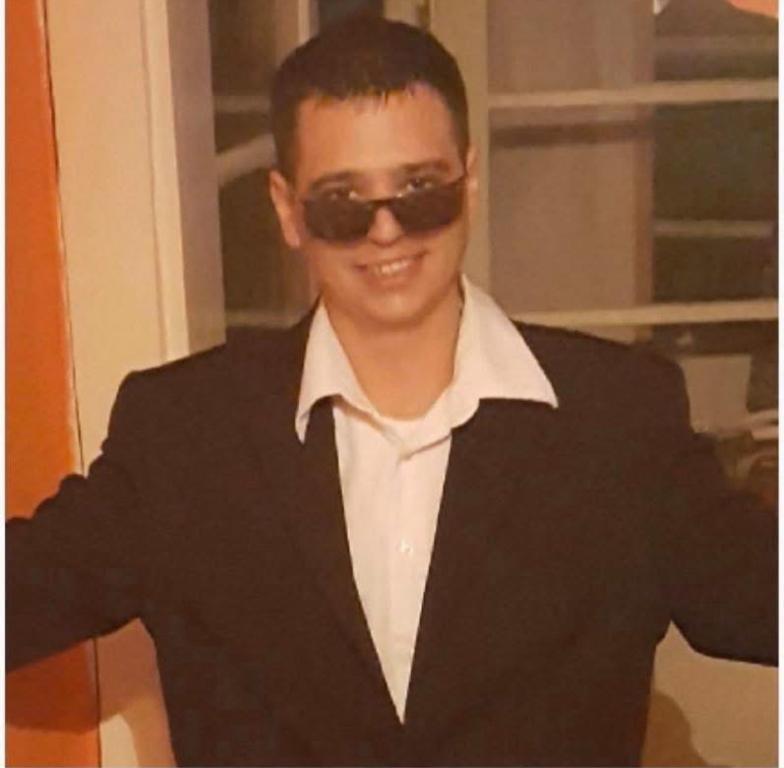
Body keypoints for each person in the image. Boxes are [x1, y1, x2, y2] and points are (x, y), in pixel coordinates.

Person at [6, 14, 776, 767]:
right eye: (343, 201)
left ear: (469, 180)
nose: (386, 231)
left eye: (420, 190)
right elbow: (25, 593)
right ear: (287, 209)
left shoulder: (620, 419)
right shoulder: (184, 435)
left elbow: (752, 598)